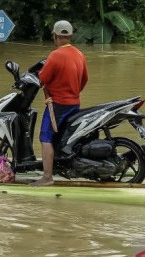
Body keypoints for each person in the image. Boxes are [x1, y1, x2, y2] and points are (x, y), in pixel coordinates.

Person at [30, 20, 88, 186]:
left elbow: (42, 78)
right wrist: (73, 92)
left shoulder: (55, 55)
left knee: (46, 137)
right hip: (74, 103)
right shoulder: (79, 54)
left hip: (57, 106)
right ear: (70, 36)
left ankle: (47, 177)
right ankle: (56, 167)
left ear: (55, 36)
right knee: (62, 136)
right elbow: (84, 80)